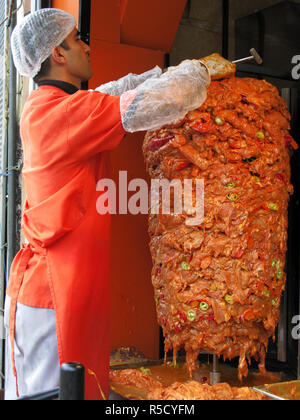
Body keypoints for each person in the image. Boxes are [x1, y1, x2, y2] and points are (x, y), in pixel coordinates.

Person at [4, 8, 231, 400]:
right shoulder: (61, 114)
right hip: (52, 297)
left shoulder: (52, 107)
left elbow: (108, 96)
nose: (86, 45)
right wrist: (196, 71)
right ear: (57, 54)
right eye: (77, 39)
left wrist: (152, 76)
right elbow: (163, 101)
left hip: (70, 289)